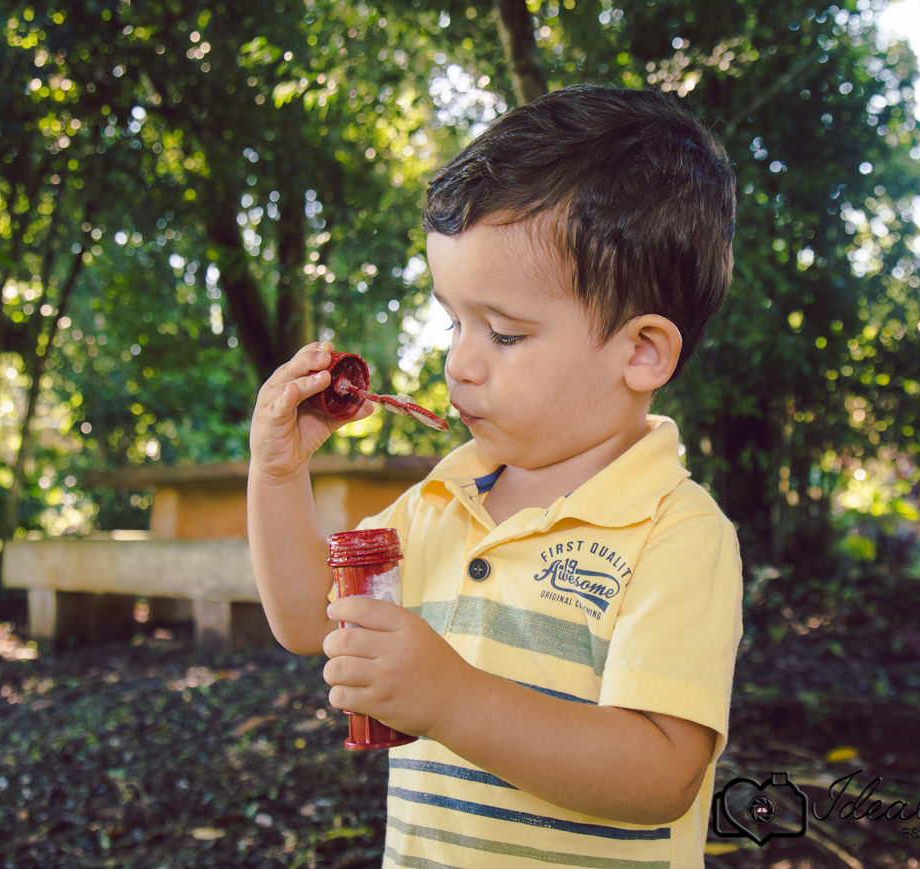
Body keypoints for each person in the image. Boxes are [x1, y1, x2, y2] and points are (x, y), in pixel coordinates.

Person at [249, 84, 742, 868]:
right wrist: (276, 473)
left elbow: (661, 774)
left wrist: (450, 698)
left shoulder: (676, 533)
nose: (459, 363)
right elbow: (311, 619)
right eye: (454, 320)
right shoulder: (442, 502)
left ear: (641, 351)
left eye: (505, 334)